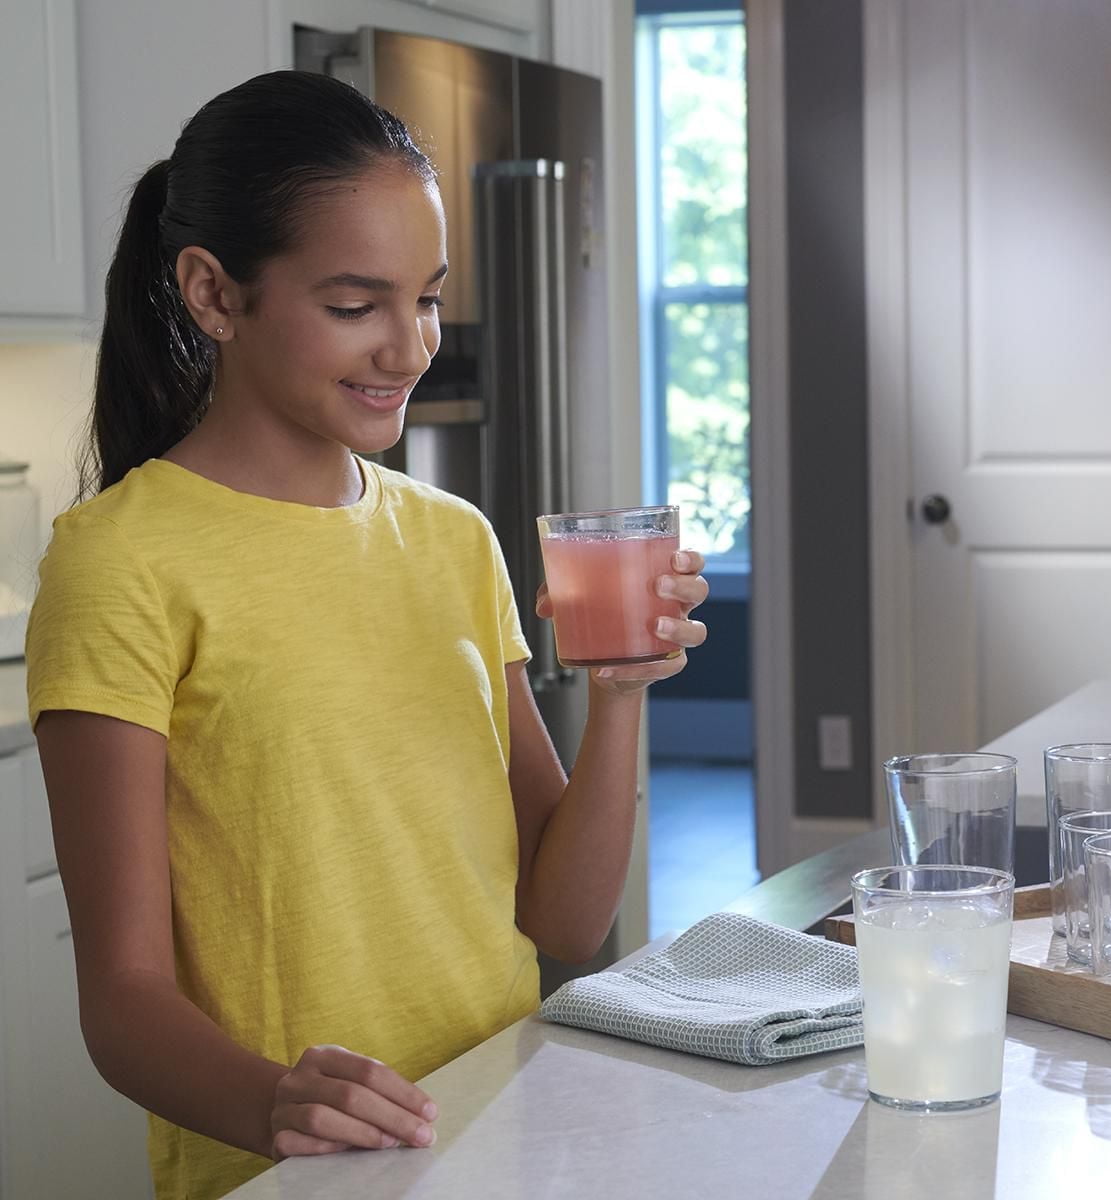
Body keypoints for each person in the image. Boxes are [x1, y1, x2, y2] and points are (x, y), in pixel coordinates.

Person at [25, 71, 708, 1200]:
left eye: (429, 298)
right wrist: (275, 1101)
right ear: (211, 293)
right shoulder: (122, 563)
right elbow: (125, 1002)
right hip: (293, 1175)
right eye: (356, 306)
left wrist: (624, 693)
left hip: (504, 1129)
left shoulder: (454, 541)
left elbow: (566, 919)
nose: (410, 347)